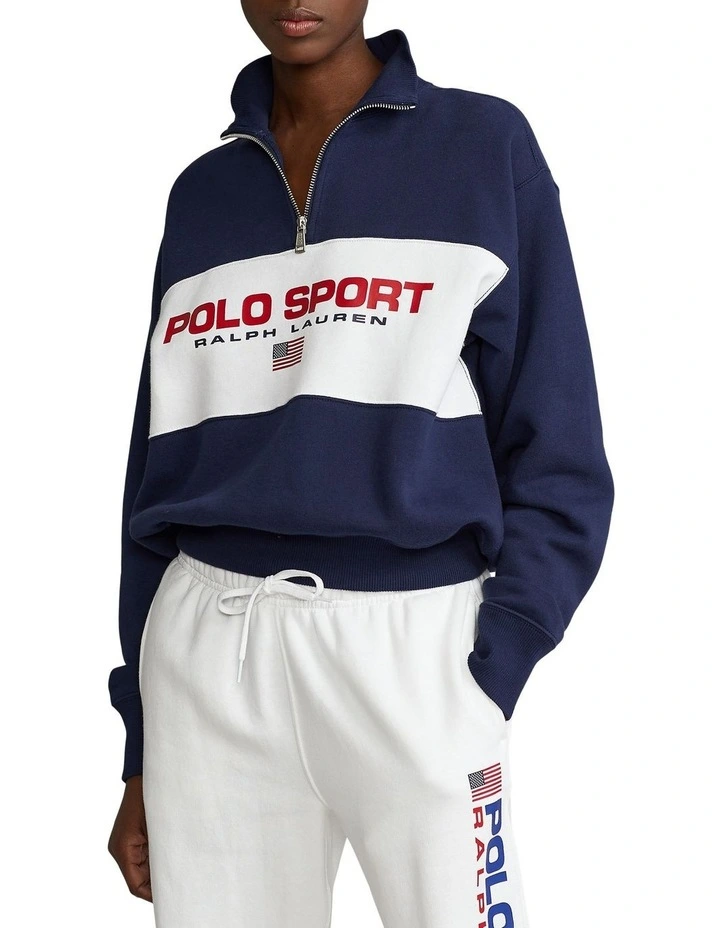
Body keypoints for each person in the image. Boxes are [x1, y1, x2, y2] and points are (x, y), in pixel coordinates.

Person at [107, 2, 615, 925]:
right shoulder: (204, 194)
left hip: (416, 651)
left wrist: (496, 659)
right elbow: (158, 468)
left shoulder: (481, 147)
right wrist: (143, 743)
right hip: (208, 654)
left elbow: (558, 441)